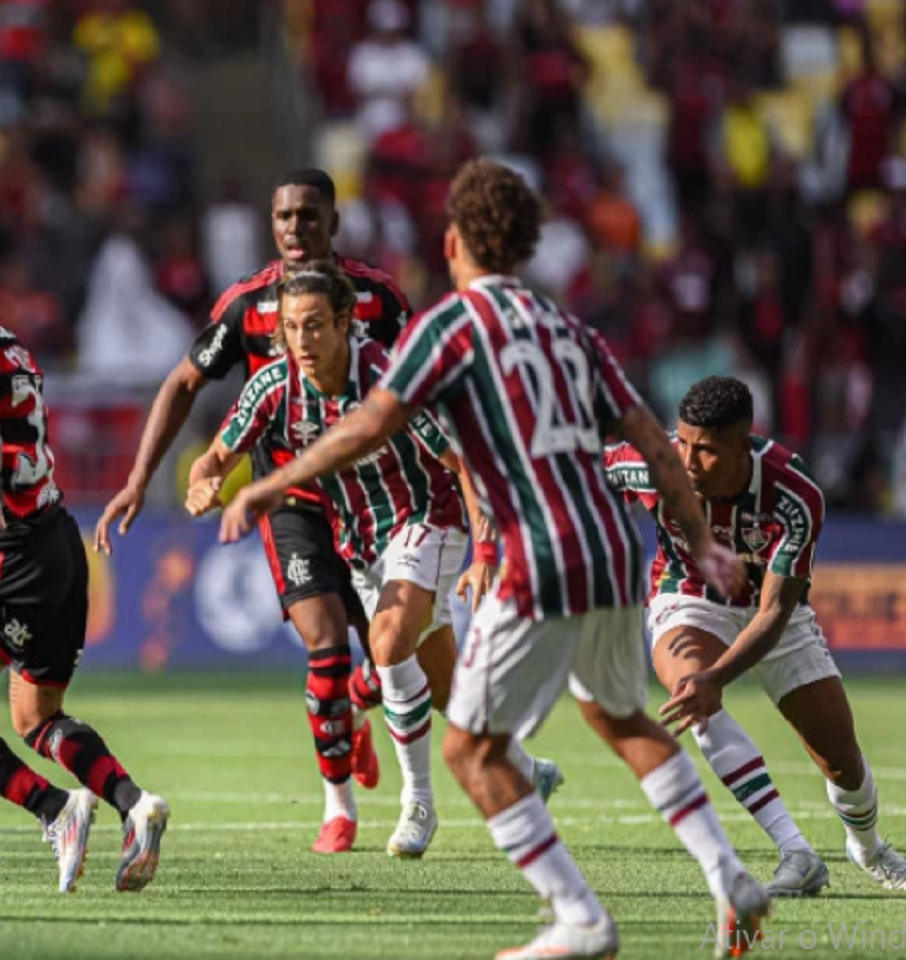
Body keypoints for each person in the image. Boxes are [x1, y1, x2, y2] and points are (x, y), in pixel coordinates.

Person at [218, 159, 770, 960]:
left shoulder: (450, 327)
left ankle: (579, 917)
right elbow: (653, 441)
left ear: (452, 243)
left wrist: (276, 483)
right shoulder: (568, 329)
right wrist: (701, 541)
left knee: (471, 751)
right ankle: (729, 875)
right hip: (613, 549)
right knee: (619, 717)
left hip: (535, 548)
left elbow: (369, 424)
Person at [186, 262, 556, 858]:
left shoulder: (389, 379)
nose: (302, 341)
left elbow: (461, 462)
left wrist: (485, 550)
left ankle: (418, 804)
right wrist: (202, 485)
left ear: (344, 323)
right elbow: (215, 458)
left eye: (314, 326)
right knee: (444, 689)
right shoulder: (275, 386)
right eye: (290, 328)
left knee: (385, 642)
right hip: (358, 541)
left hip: (427, 517)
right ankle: (525, 767)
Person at [96, 168, 412, 853]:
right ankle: (339, 808)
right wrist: (141, 477)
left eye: (308, 216)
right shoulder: (247, 306)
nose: (295, 229)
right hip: (291, 499)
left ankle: (356, 711)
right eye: (284, 218)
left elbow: (427, 386)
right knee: (326, 650)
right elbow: (183, 382)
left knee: (397, 657)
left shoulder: (380, 298)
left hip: (376, 501)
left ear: (333, 220)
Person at [0, 218, 168, 894]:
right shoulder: (3, 339)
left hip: (16, 554)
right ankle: (135, 806)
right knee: (35, 719)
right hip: (55, 544)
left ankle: (55, 811)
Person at [606, 376, 906, 896]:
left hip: (771, 617)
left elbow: (775, 610)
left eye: (706, 450)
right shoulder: (655, 462)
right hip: (689, 598)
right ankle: (796, 851)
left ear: (743, 446)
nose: (689, 461)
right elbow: (575, 475)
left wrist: (719, 676)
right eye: (683, 443)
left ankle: (870, 846)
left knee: (840, 757)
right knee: (691, 691)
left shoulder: (795, 493)